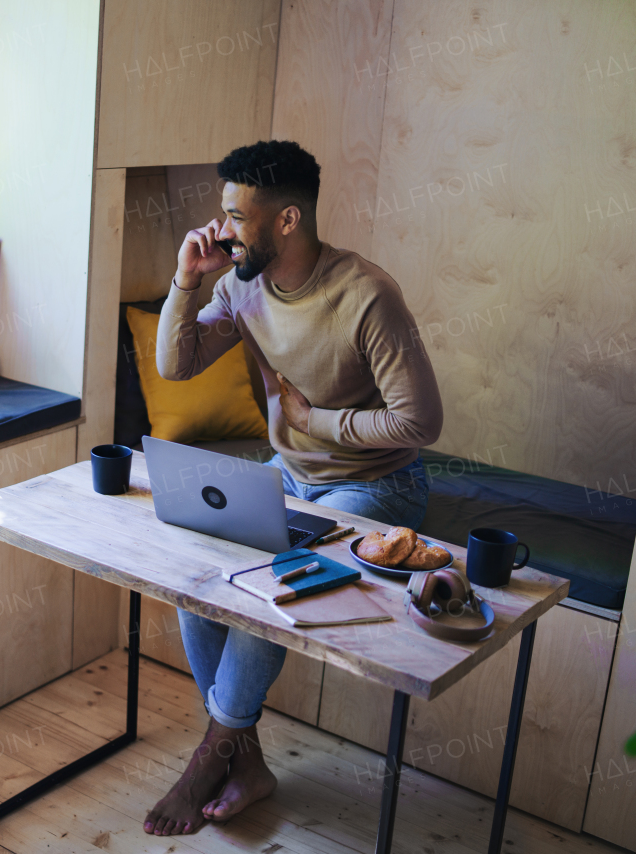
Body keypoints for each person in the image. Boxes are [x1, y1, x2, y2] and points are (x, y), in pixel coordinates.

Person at [143, 139, 444, 836]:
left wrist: (318, 420)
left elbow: (420, 420)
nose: (219, 231)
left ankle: (209, 760)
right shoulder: (241, 282)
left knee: (276, 583)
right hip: (291, 478)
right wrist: (186, 282)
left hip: (378, 488)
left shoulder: (367, 295)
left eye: (234, 216)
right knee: (201, 577)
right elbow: (177, 365)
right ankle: (243, 758)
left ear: (285, 221)